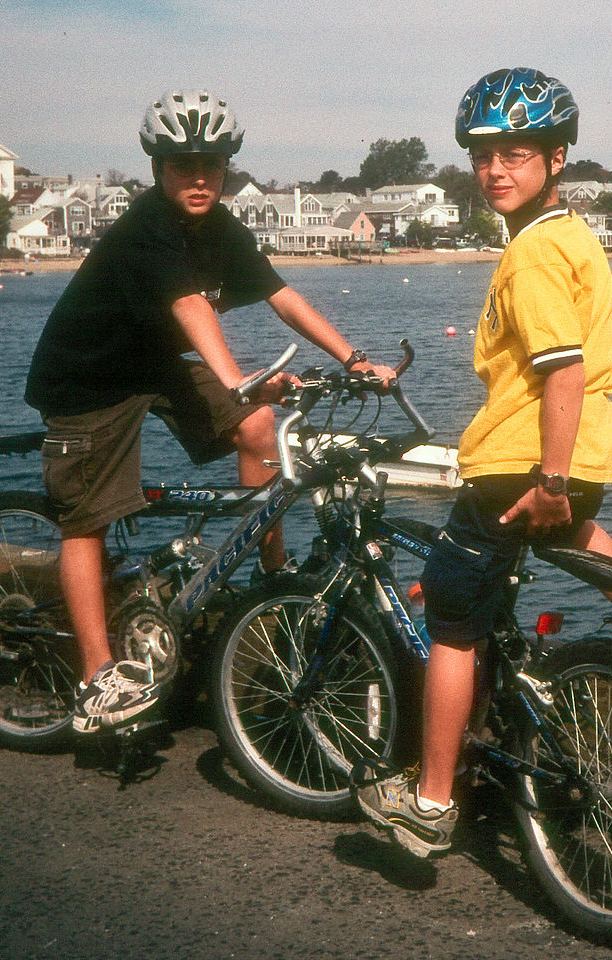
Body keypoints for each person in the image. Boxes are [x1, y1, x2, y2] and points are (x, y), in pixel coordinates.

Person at [357, 68, 612, 857]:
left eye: (517, 153)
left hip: (522, 458)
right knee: (572, 530)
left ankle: (431, 803)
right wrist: (565, 482)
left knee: (453, 625)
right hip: (586, 454)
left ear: (557, 158)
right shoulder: (576, 237)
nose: (496, 169)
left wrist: (545, 477)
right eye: (483, 155)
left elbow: (562, 370)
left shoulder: (534, 254)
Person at [24, 89, 395, 736]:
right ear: (156, 169)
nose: (198, 178)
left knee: (258, 428)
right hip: (91, 377)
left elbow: (280, 294)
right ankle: (96, 678)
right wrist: (235, 377)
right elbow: (192, 307)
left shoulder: (220, 225)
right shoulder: (148, 230)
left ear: (227, 169)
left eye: (212, 166)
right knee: (86, 519)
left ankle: (268, 575)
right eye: (181, 165)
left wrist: (353, 357)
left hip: (157, 364)